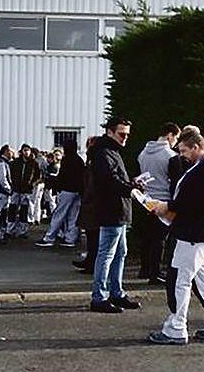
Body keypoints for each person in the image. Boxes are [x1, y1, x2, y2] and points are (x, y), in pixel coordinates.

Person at [148, 130, 204, 345]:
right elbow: (198, 202)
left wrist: (168, 207)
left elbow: (198, 203)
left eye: (184, 150)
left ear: (197, 147)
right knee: (203, 281)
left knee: (181, 281)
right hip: (199, 234)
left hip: (193, 235)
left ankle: (176, 328)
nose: (181, 155)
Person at [90, 117, 141, 313]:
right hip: (112, 210)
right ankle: (100, 296)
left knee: (119, 253)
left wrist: (131, 184)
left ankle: (115, 292)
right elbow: (110, 181)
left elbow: (115, 179)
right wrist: (130, 188)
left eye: (127, 134)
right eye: (122, 134)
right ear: (110, 132)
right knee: (108, 254)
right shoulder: (105, 153)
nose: (125, 138)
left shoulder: (110, 151)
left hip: (118, 209)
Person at [136, 122, 181, 284]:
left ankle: (145, 268)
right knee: (159, 238)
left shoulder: (143, 152)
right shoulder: (170, 156)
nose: (176, 141)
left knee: (146, 236)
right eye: (176, 138)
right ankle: (155, 272)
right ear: (170, 135)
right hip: (163, 200)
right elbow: (176, 181)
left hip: (146, 199)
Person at [36, 139, 84, 248]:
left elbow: (62, 176)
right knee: (73, 216)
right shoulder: (79, 160)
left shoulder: (66, 160)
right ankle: (70, 239)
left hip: (67, 190)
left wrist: (56, 184)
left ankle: (49, 238)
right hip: (78, 191)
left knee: (59, 214)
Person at [73, 136, 99, 273]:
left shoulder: (94, 162)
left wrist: (87, 197)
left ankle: (91, 262)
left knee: (93, 236)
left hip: (92, 204)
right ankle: (90, 260)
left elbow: (91, 184)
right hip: (90, 203)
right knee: (91, 236)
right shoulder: (91, 162)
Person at [7, 144, 40, 239]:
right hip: (16, 189)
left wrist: (32, 184)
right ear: (21, 151)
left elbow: (38, 176)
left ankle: (23, 230)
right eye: (24, 150)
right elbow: (10, 174)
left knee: (24, 210)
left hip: (27, 190)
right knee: (12, 209)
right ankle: (10, 229)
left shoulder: (34, 163)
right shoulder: (15, 162)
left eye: (28, 150)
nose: (26, 152)